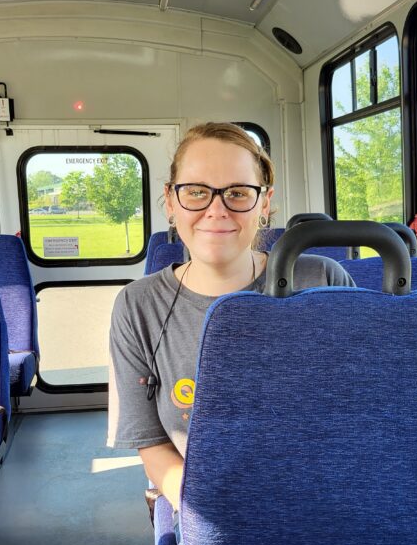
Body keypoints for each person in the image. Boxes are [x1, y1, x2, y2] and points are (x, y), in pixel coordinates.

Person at [107, 122, 354, 513]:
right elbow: (153, 445)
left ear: (265, 202)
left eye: (238, 192)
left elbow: (362, 409)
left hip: (327, 499)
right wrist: (209, 514)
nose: (216, 209)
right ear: (170, 201)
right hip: (208, 506)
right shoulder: (138, 306)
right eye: (196, 192)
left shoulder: (323, 279)